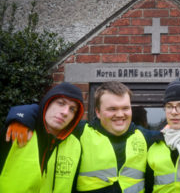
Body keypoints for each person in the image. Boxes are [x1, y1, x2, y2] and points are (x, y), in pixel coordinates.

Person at [3, 81, 158, 193]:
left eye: (125, 108)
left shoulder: (146, 137)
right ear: (97, 112)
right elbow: (47, 114)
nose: (120, 114)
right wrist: (22, 116)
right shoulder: (80, 132)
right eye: (112, 109)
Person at [0, 82, 84, 193]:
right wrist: (21, 116)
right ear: (48, 103)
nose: (65, 112)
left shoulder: (76, 145)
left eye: (72, 109)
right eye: (60, 103)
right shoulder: (15, 132)